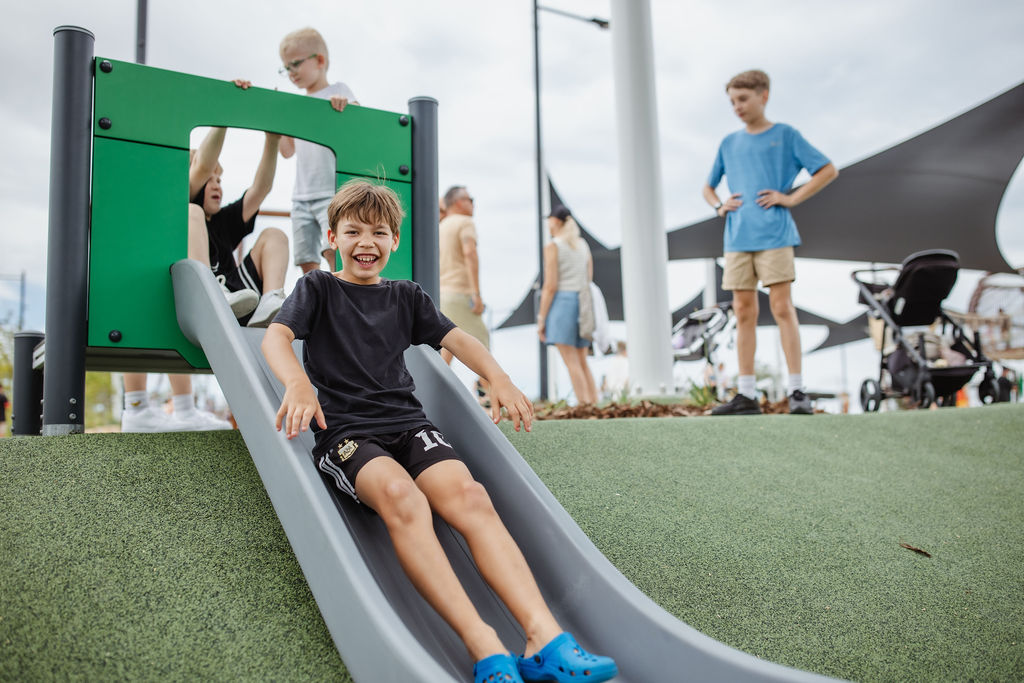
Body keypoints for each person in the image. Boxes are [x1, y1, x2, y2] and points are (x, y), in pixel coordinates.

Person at [262, 180, 617, 683]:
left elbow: (458, 339)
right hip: (347, 434)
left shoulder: (405, 296)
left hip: (408, 425)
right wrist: (297, 383)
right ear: (333, 238)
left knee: (470, 496)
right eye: (354, 231)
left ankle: (545, 640)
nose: (366, 242)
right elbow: (276, 337)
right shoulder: (318, 288)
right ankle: (485, 646)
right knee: (402, 497)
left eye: (379, 232)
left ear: (395, 240)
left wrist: (498, 378)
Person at [702, 69, 838, 416]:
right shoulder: (728, 143)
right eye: (732, 101)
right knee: (743, 311)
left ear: (764, 96)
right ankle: (747, 395)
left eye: (743, 99)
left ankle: (796, 391)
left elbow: (827, 170)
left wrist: (790, 198)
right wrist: (719, 206)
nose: (737, 107)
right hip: (737, 238)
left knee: (781, 307)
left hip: (775, 235)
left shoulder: (786, 135)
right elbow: (708, 187)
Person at [278, 27, 359, 275]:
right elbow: (286, 151)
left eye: (295, 64)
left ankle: (340, 292)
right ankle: (315, 296)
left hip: (331, 191)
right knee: (305, 256)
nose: (291, 73)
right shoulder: (295, 106)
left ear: (320, 60)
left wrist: (345, 108)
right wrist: (278, 120)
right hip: (301, 195)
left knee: (333, 250)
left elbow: (359, 122)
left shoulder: (338, 91)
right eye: (286, 68)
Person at [537, 206, 598, 405]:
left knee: (571, 361)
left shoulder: (553, 246)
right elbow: (588, 277)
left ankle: (584, 406)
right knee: (582, 361)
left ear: (555, 222)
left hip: (562, 304)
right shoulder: (582, 244)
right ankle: (594, 404)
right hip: (583, 303)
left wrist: (541, 318)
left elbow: (550, 286)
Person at [438, 185, 491, 403]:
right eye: (471, 200)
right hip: (460, 293)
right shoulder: (465, 222)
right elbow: (470, 253)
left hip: (442, 294)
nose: (473, 204)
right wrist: (476, 294)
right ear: (460, 202)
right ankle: (489, 401)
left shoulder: (441, 226)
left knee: (445, 351)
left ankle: (431, 400)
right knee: (483, 349)